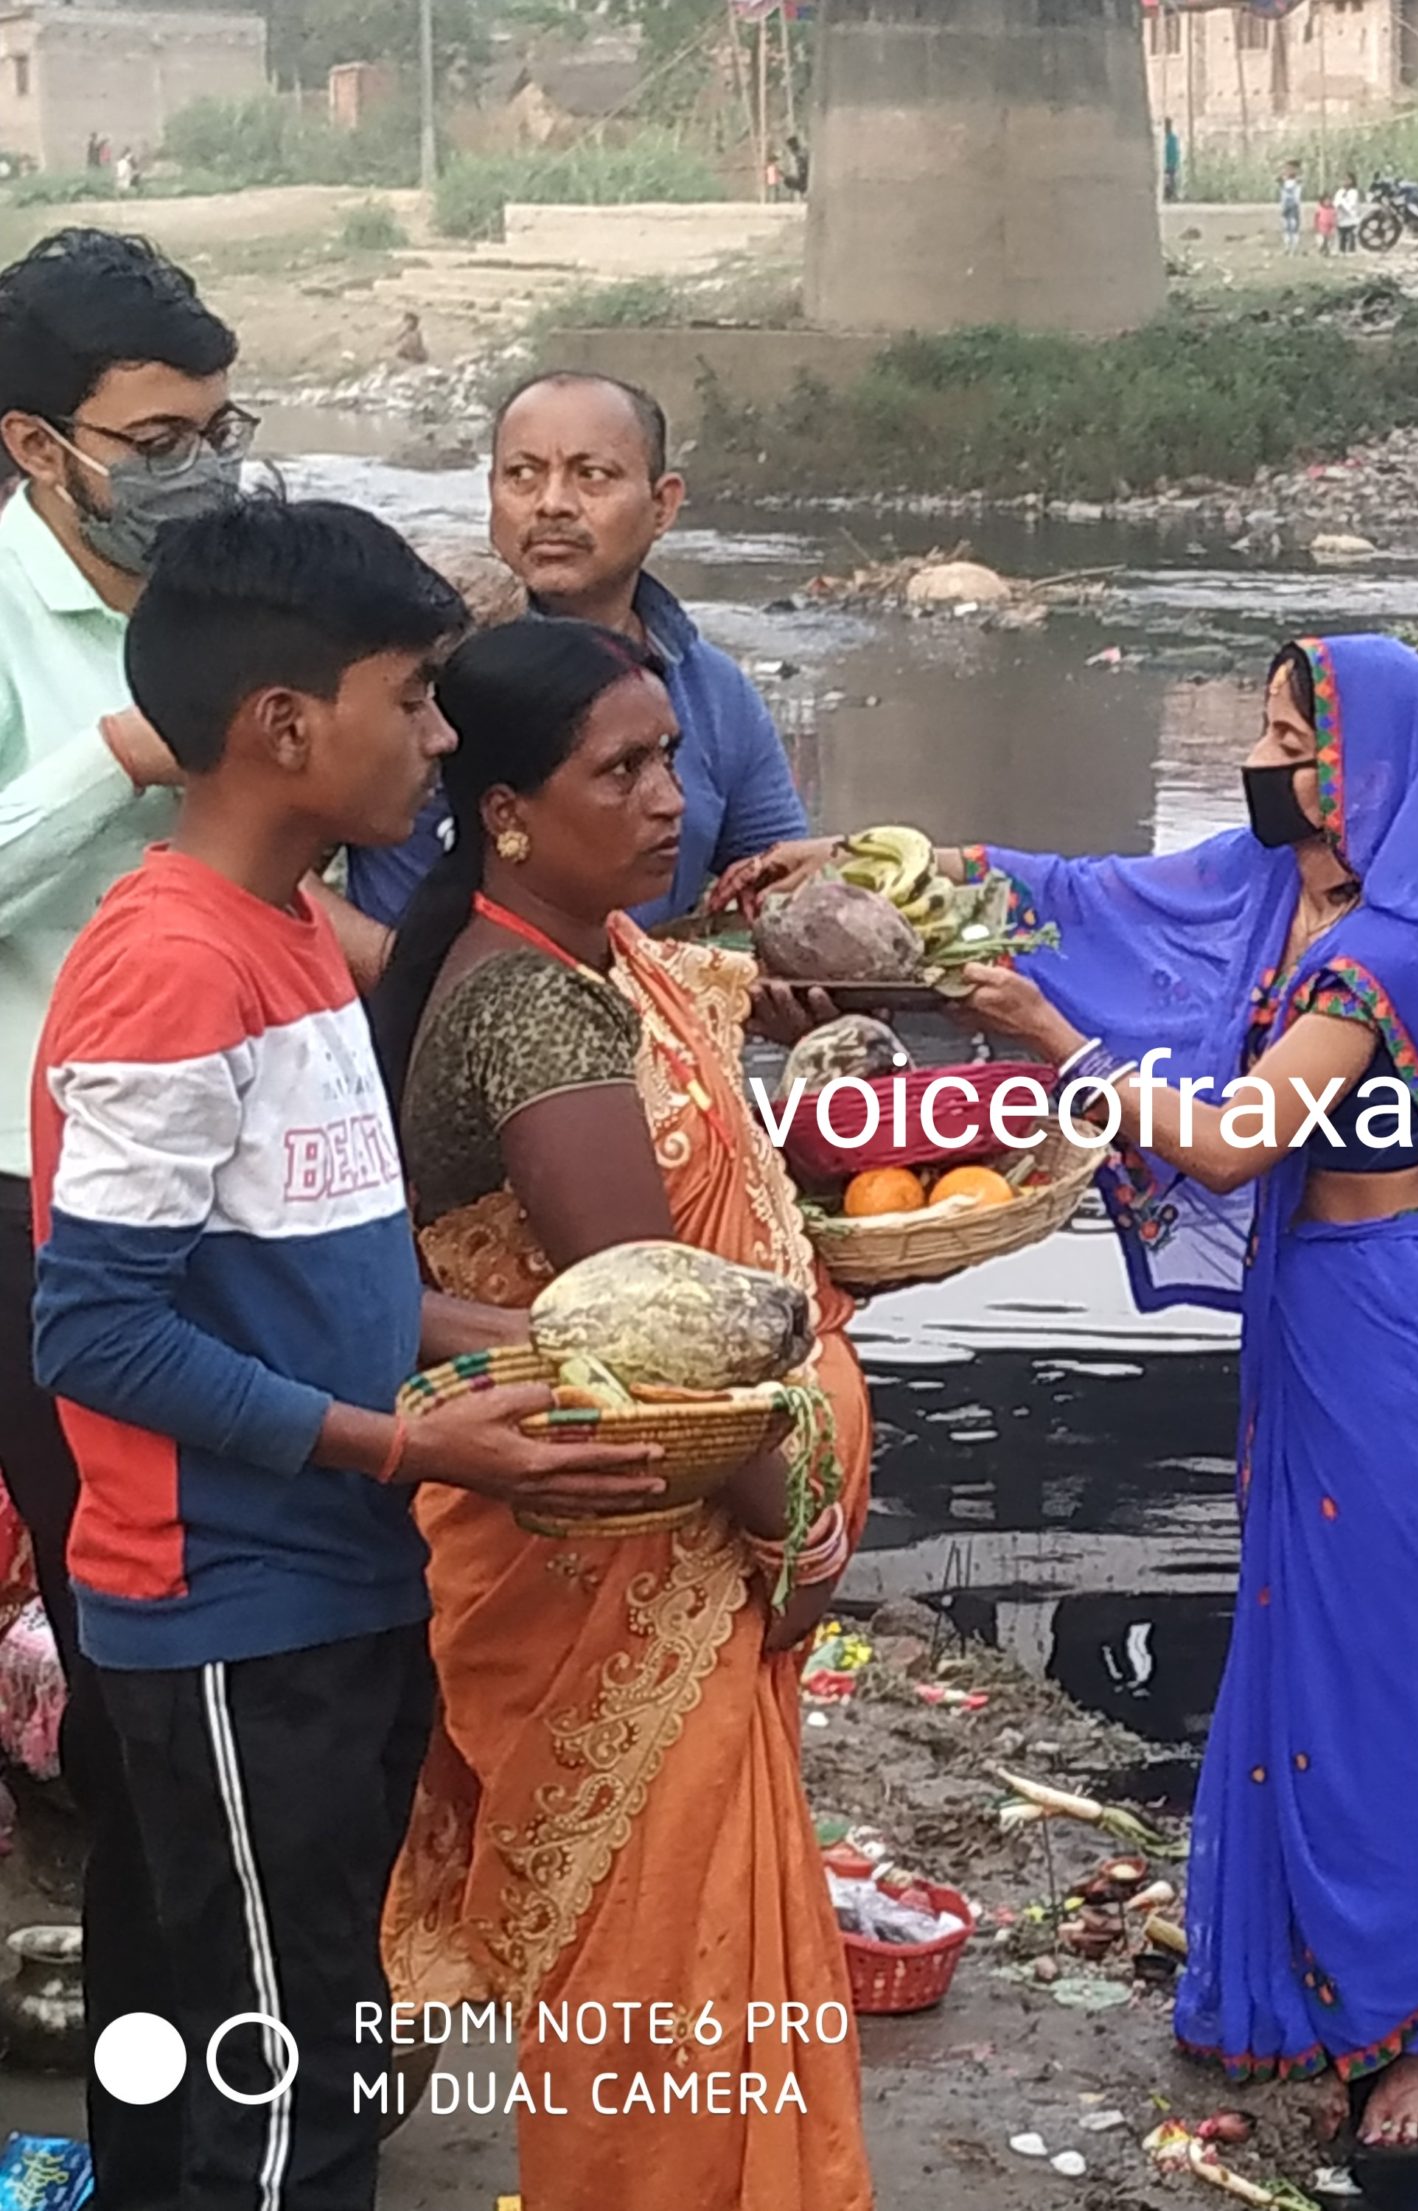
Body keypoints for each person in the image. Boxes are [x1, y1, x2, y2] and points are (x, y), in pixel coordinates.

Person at [31, 496, 666, 2211]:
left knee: (321, 2031)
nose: (443, 740)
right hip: (233, 1609)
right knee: (289, 2089)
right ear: (286, 728)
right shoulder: (168, 969)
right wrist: (413, 1448)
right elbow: (96, 1330)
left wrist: (542, 1347)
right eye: (418, 699)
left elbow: (333, 1280)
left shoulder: (300, 932)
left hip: (343, 1583)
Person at [949, 635, 1418, 2150]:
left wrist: (1054, 1041)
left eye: (1288, 736)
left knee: (1392, 1669)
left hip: (1407, 1324)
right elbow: (1109, 898)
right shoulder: (1291, 892)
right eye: (1264, 728)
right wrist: (919, 874)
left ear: (1365, 773)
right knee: (1293, 1636)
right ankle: (1283, 1990)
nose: (1257, 760)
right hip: (1315, 1306)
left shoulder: (1390, 950)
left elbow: (1225, 1147)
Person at [370, 617, 875, 2211]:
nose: (674, 794)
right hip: (624, 1552)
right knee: (663, 1976)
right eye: (626, 769)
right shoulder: (530, 1016)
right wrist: (798, 1531)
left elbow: (727, 1072)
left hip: (671, 1546)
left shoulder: (609, 963)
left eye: (672, 756)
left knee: (697, 1956)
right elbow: (657, 1351)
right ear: (509, 807)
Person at [0, 224, 372, 2209]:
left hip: (255, 1186)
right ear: (33, 443)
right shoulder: (12, 630)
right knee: (148, 1682)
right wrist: (108, 765)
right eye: (154, 433)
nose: (196, 463)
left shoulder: (225, 582)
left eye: (220, 425)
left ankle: (180, 2132)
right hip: (41, 1206)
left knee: (204, 1709)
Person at [342, 372, 810, 934]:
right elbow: (247, 851)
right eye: (522, 475)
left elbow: (778, 880)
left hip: (638, 1010)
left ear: (663, 505)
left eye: (592, 476)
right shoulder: (403, 670)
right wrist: (395, 968)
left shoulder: (713, 692)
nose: (552, 505)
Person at [1335, 173, 1363, 252]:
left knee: (1351, 236)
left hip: (1351, 218)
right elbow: (1336, 202)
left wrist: (1343, 205)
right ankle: (1342, 251)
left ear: (1352, 181)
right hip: (1341, 218)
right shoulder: (1339, 192)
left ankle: (1351, 251)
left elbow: (1352, 205)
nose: (1345, 181)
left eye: (1348, 180)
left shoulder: (1354, 192)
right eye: (1344, 179)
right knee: (1342, 237)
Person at [1281, 160, 1304, 254]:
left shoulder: (1297, 181)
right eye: (1287, 169)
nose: (1288, 171)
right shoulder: (1284, 181)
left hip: (1294, 206)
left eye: (1291, 169)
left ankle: (1294, 247)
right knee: (1286, 226)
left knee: (1294, 226)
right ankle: (1287, 246)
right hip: (1285, 206)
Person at [1165, 117, 1182, 202]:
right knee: (1167, 180)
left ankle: (1171, 195)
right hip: (1165, 163)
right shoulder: (1165, 138)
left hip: (1170, 164)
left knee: (1171, 180)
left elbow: (1174, 151)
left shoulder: (1172, 138)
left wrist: (1173, 162)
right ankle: (1168, 195)